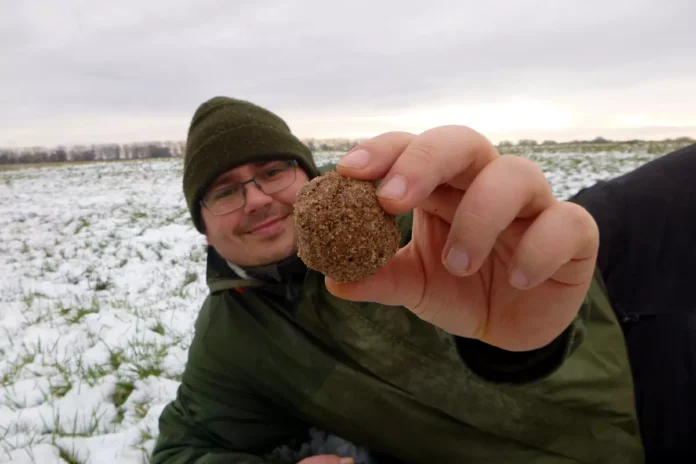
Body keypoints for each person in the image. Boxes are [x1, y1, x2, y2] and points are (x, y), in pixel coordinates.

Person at [152, 96, 695, 463]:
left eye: (272, 171)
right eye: (224, 191)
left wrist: (512, 240)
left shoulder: (415, 220)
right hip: (625, 411)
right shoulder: (234, 333)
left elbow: (519, 250)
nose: (257, 198)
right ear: (202, 228)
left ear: (310, 176)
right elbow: (184, 448)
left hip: (594, 268)